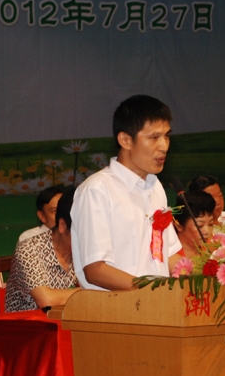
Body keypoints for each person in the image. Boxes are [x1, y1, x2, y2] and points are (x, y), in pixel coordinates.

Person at [70, 94, 182, 291]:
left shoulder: (155, 187)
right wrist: (154, 290)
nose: (164, 146)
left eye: (166, 136)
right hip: (117, 306)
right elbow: (96, 270)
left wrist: (206, 276)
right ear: (125, 140)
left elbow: (170, 255)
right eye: (154, 137)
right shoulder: (97, 190)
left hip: (158, 303)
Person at [5, 188, 80, 312]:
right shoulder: (29, 249)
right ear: (62, 225)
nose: (89, 238)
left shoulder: (83, 251)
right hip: (28, 322)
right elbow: (46, 300)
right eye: (82, 230)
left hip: (66, 319)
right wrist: (88, 291)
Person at [173, 191, 216, 258]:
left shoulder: (214, 250)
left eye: (210, 224)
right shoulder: (169, 257)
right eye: (200, 226)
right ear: (179, 226)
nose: (207, 231)